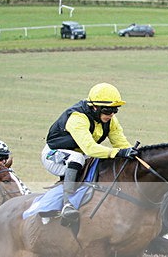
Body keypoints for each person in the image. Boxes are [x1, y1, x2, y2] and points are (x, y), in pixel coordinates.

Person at [42, 83, 137, 223]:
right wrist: (118, 153)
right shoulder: (77, 117)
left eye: (115, 110)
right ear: (94, 107)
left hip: (82, 154)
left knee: (104, 161)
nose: (111, 114)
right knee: (77, 157)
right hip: (53, 154)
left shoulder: (110, 121)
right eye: (107, 110)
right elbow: (90, 148)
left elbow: (122, 145)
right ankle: (67, 204)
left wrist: (135, 155)